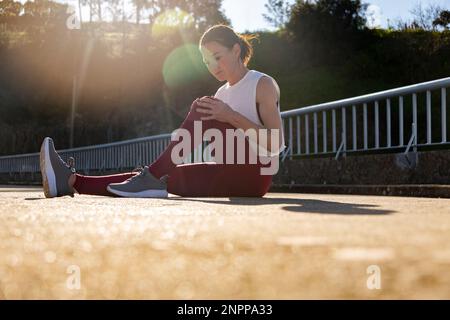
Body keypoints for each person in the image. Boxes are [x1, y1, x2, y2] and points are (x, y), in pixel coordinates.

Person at [40, 24, 285, 199]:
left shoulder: (261, 84)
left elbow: (276, 145)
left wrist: (230, 116)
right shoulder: (222, 94)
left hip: (254, 175)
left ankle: (151, 176)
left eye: (217, 57)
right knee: (158, 176)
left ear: (236, 50)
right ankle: (71, 182)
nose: (213, 66)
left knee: (201, 108)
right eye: (206, 62)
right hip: (225, 171)